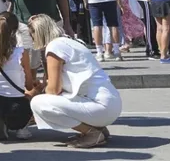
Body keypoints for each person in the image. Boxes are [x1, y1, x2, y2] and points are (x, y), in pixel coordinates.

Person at [28, 14, 122, 148]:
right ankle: (98, 128)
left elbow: (54, 90)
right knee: (55, 98)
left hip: (100, 107)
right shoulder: (71, 41)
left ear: (38, 33)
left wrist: (39, 91)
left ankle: (91, 132)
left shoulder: (54, 47)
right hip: (110, 104)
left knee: (38, 103)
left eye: (32, 35)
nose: (32, 39)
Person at [0, 12, 38, 141]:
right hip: (17, 107)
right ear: (15, 30)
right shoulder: (21, 53)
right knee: (35, 91)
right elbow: (28, 85)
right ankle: (22, 128)